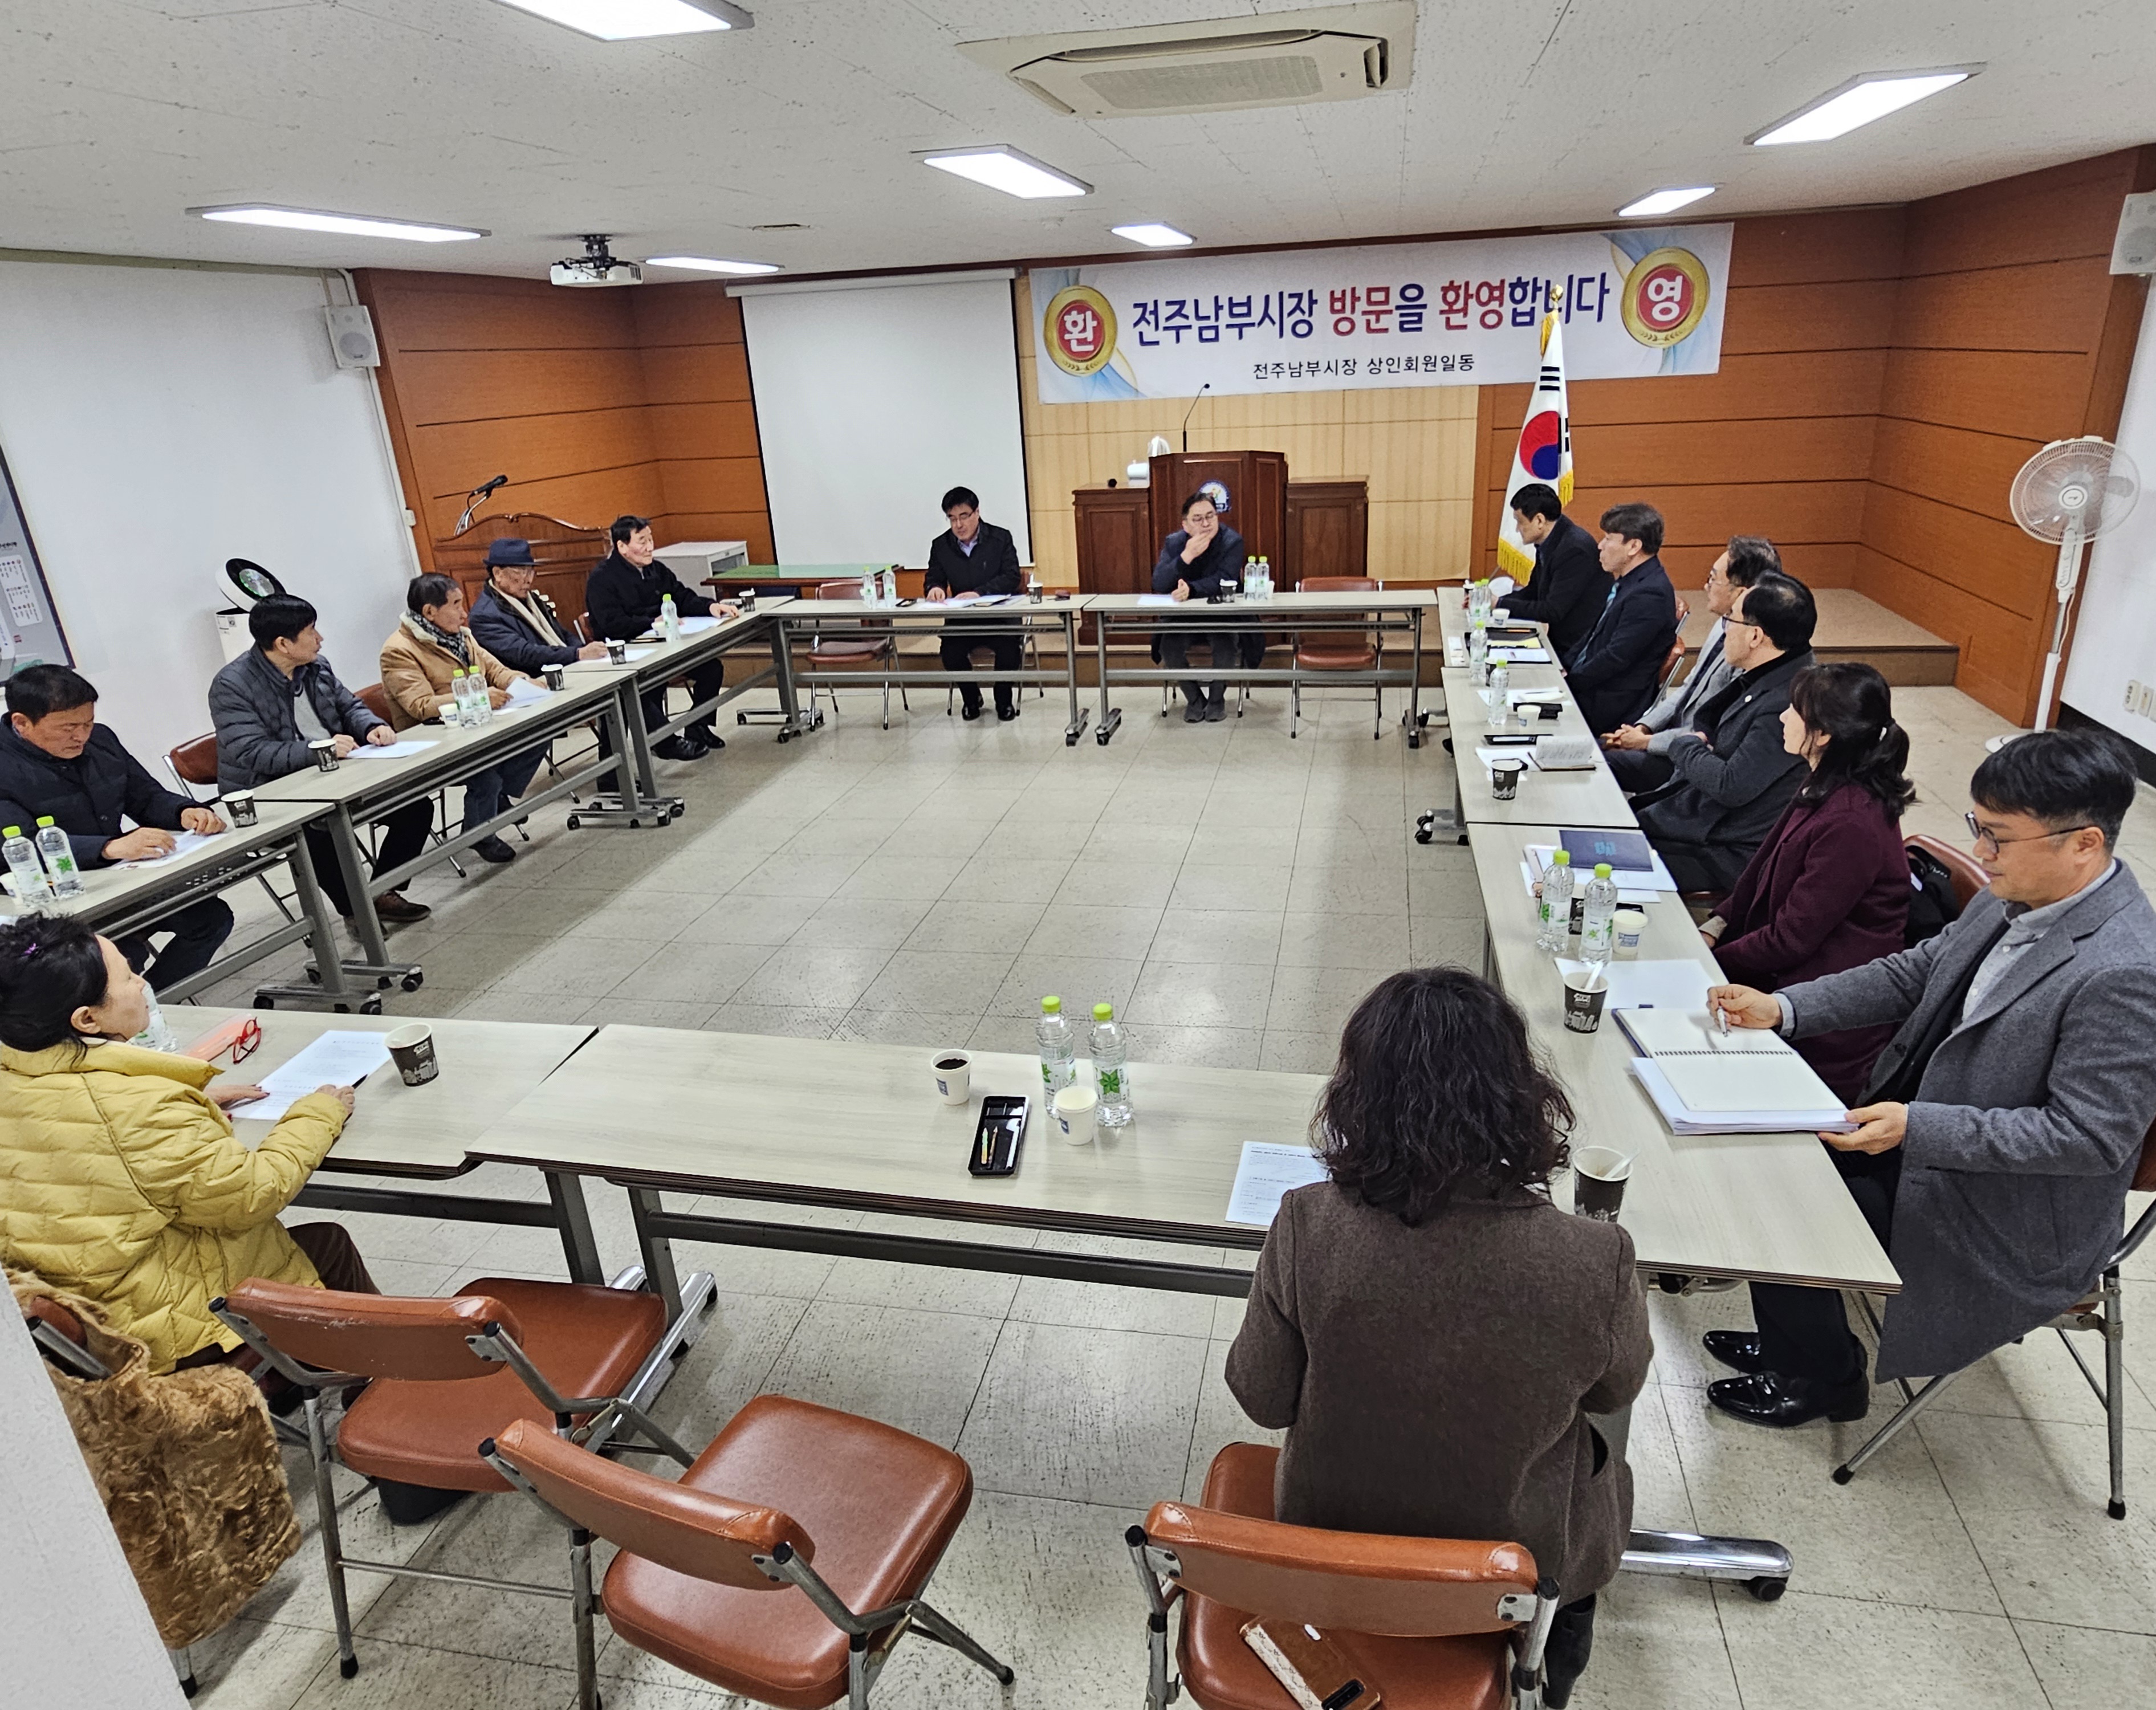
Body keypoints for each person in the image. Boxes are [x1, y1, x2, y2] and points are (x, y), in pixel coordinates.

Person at [1705, 728, 2156, 1428]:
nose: (1981, 852)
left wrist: (1917, 1126)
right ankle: (1792, 1341)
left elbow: (2087, 1138)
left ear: (2083, 844)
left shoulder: (2124, 972)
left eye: (1998, 837)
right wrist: (1785, 1009)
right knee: (1761, 1153)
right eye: (1979, 828)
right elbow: (1912, 972)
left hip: (2004, 1207)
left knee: (1787, 1198)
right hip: (1929, 1139)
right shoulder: (2017, 895)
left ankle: (1822, 1379)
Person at [1227, 967, 1651, 1708]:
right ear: (1520, 1097)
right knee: (1596, 1479)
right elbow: (1615, 1392)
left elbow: (1261, 1398)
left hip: (1334, 1545)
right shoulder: (1595, 1258)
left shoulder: (1304, 1222)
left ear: (1355, 1097)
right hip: (1509, 1565)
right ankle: (1552, 1671)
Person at [0, 913, 369, 1374]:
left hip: (94, 1317)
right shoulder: (141, 1108)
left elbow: (91, 1141)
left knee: (318, 1244)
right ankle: (386, 1384)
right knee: (328, 1245)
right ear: (87, 1019)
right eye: (128, 977)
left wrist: (192, 1107)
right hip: (172, 1333)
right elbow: (255, 1193)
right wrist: (319, 1112)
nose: (142, 984)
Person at [1701, 663, 1913, 1103]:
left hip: (1819, 1017)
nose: (1783, 717)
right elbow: (1757, 872)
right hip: (1779, 976)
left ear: (1825, 734)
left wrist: (1707, 964)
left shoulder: (1853, 821)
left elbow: (1790, 940)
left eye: (1794, 711)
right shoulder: (1825, 783)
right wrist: (1713, 928)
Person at [0, 665, 234, 991]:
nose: (81, 736)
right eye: (68, 728)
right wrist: (108, 848)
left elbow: (144, 796)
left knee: (210, 919)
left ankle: (154, 1000)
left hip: (120, 879)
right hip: (53, 900)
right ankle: (126, 1008)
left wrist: (184, 812)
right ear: (22, 723)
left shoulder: (102, 741)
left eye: (87, 723)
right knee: (119, 957)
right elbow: (22, 845)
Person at [208, 592, 434, 923]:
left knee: (414, 807)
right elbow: (252, 752)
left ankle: (383, 892)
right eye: (311, 631)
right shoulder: (232, 685)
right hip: (270, 792)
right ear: (283, 644)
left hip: (333, 775)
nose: (320, 638)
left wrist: (371, 727)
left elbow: (349, 706)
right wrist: (321, 749)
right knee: (317, 835)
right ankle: (357, 912)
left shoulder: (316, 666)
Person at [1633, 574, 1817, 894]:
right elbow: (1710, 726)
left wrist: (1685, 746)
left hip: (1724, 849)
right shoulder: (1772, 672)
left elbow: (1730, 786)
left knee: (1603, 859)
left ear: (1755, 636)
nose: (1724, 629)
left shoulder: (1787, 705)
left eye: (1730, 619)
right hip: (1701, 819)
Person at [379, 573, 544, 866]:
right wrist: (477, 696)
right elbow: (420, 706)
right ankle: (480, 834)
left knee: (538, 734)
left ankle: (495, 800)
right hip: (434, 741)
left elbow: (496, 670)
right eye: (455, 605)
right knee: (485, 772)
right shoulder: (398, 650)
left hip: (477, 727)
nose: (464, 613)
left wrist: (526, 683)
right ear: (429, 612)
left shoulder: (462, 637)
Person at [1602, 536, 1781, 792]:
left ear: (1741, 592)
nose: (1706, 586)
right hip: (1668, 736)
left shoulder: (1751, 651)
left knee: (1599, 764)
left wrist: (1646, 742)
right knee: (1595, 748)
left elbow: (1713, 731)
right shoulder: (1723, 624)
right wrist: (1643, 727)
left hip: (1688, 760)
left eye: (1713, 579)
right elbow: (1688, 688)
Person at [584, 515, 740, 760]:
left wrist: (710, 606)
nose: (650, 547)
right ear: (622, 546)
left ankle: (698, 727)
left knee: (711, 669)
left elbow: (681, 596)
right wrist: (652, 623)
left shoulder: (655, 569)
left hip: (665, 647)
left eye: (651, 540)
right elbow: (613, 624)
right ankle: (664, 742)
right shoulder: (602, 579)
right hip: (628, 652)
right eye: (642, 542)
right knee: (644, 687)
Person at [1561, 502, 1679, 736]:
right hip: (1593, 686)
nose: (1600, 545)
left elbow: (1616, 658)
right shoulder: (1631, 581)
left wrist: (1568, 683)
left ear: (1634, 546)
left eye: (1608, 538)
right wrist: (1562, 666)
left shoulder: (1650, 594)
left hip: (1609, 702)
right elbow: (1594, 635)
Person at [924, 486, 1024, 722]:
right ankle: (971, 698)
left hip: (999, 617)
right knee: (950, 652)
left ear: (977, 513)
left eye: (964, 516)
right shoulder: (941, 545)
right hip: (963, 620)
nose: (959, 525)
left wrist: (979, 593)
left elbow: (1011, 577)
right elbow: (934, 577)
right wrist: (935, 588)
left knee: (1009, 649)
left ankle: (1003, 699)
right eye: (952, 519)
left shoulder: (1000, 538)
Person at [1153, 490, 1248, 723]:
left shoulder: (1232, 541)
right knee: (1169, 648)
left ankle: (1216, 700)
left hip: (1221, 614)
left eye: (1210, 516)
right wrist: (1186, 556)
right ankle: (1195, 699)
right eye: (1198, 519)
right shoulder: (1175, 543)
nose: (1206, 524)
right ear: (1185, 525)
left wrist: (1192, 590)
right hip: (1183, 617)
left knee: (1226, 646)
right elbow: (1159, 584)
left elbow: (1227, 579)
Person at [1494, 483, 1605, 660]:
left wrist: (1499, 604)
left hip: (1575, 651)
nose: (1517, 529)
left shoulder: (1575, 549)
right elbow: (1533, 592)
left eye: (1520, 522)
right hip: (1557, 641)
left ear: (1539, 520)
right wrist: (1494, 603)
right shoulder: (1551, 541)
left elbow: (1553, 611)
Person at [468, 538, 609, 675]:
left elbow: (561, 633)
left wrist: (584, 650)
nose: (529, 580)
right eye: (521, 572)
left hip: (565, 668)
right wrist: (577, 654)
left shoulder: (531, 599)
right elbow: (524, 654)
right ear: (498, 574)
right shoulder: (484, 616)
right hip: (534, 680)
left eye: (530, 571)